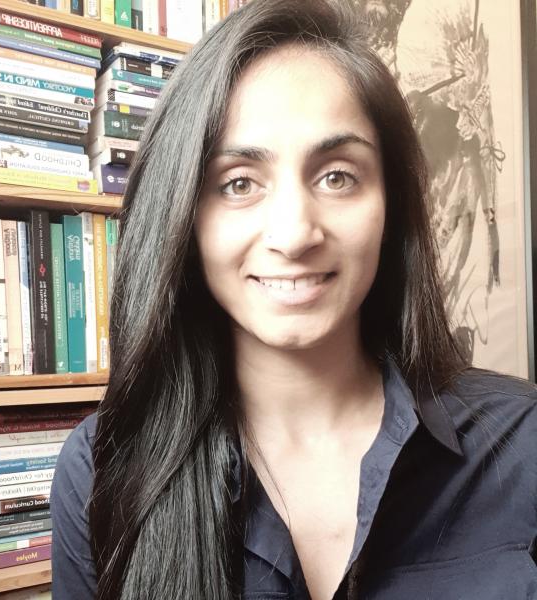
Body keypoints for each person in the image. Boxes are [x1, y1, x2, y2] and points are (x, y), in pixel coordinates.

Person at [50, 1, 537, 598]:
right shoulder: (100, 469)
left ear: (391, 206)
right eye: (239, 184)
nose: (295, 234)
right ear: (183, 216)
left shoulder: (525, 441)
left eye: (337, 176)